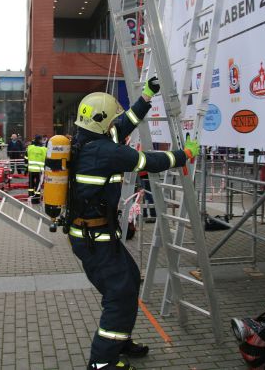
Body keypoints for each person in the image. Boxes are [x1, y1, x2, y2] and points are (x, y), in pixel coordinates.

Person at [67, 78, 200, 370]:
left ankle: (119, 341)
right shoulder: (105, 151)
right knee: (119, 293)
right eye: (111, 117)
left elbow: (121, 126)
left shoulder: (88, 140)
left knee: (128, 280)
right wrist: (184, 155)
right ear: (102, 121)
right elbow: (147, 161)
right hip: (95, 238)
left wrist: (148, 95)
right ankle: (102, 362)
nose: (115, 122)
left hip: (96, 235)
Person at [26, 134, 47, 203]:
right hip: (40, 171)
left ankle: (30, 196)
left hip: (31, 170)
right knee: (38, 185)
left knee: (31, 184)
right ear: (40, 140)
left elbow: (26, 158)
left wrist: (26, 168)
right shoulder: (44, 149)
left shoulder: (30, 147)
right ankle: (36, 199)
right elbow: (47, 160)